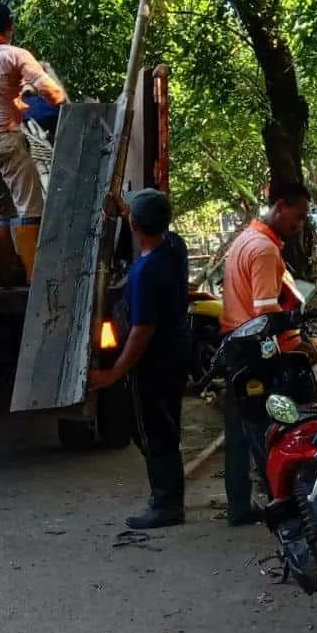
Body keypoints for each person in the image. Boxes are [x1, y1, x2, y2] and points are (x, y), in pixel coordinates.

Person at [87, 189, 190, 529]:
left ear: (133, 224)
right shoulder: (174, 247)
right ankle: (168, 496)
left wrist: (114, 373)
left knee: (154, 431)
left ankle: (167, 505)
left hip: (153, 360)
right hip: (175, 353)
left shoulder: (146, 272)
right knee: (165, 425)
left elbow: (142, 330)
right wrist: (127, 211)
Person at [219, 182, 312, 526]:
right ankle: (282, 503)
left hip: (236, 348)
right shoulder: (263, 250)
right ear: (280, 206)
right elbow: (264, 315)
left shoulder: (246, 241)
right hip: (258, 354)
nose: (299, 224)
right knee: (273, 428)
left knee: (240, 431)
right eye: (298, 216)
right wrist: (293, 346)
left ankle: (240, 505)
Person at [0, 1, 68, 284]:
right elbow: (53, 94)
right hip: (4, 141)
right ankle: (37, 280)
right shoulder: (14, 55)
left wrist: (16, 103)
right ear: (10, 25)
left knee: (1, 208)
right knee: (31, 207)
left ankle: (6, 274)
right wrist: (60, 100)